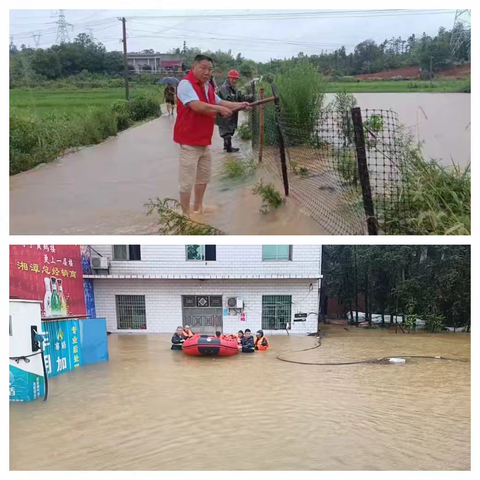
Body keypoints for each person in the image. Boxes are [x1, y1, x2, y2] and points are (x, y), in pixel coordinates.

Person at [174, 55, 252, 215]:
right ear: (194, 67)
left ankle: (197, 208)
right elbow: (197, 106)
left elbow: (221, 102)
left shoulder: (207, 87)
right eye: (203, 68)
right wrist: (220, 110)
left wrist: (240, 105)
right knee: (186, 181)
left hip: (204, 141)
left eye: (210, 69)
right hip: (189, 141)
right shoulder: (185, 84)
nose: (207, 72)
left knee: (203, 178)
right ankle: (185, 214)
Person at [215, 69, 253, 153]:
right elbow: (228, 100)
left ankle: (226, 147)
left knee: (230, 129)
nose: (234, 80)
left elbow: (240, 97)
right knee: (226, 130)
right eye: (233, 78)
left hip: (231, 112)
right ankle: (228, 148)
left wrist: (250, 97)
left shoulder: (233, 89)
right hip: (224, 112)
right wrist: (241, 104)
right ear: (229, 78)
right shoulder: (224, 88)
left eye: (236, 79)